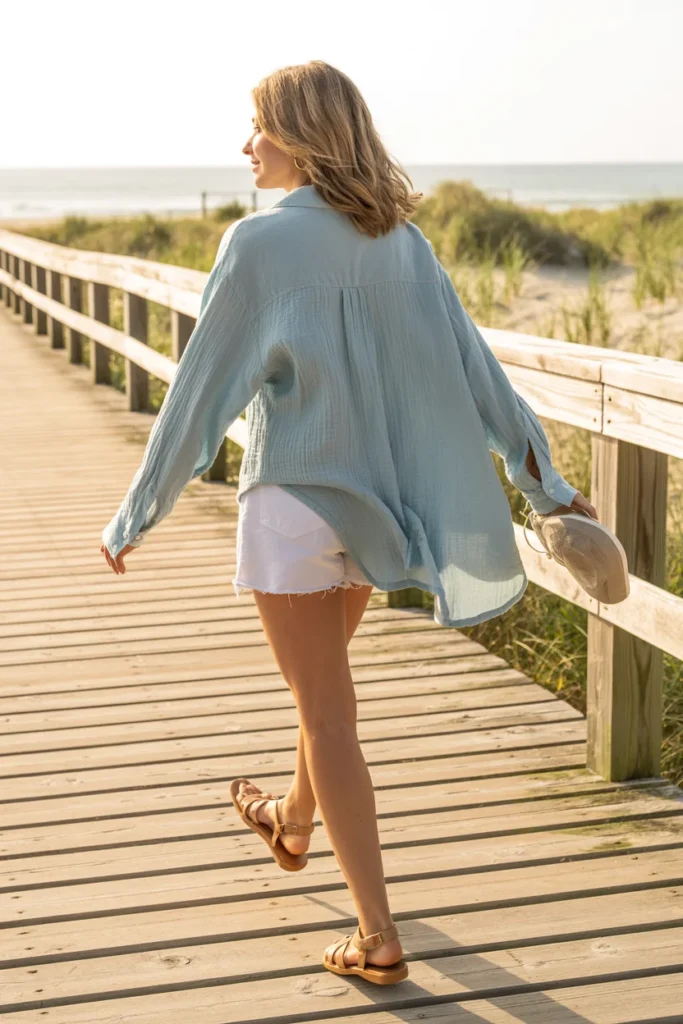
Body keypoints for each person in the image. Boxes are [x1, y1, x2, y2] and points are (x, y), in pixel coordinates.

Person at [101, 60, 597, 985]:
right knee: (318, 703)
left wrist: (137, 511)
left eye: (255, 126)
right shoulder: (401, 240)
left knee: (327, 715)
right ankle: (290, 826)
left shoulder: (254, 245)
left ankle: (376, 937)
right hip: (378, 510)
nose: (244, 145)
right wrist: (548, 485)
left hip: (293, 502)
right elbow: (476, 371)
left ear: (297, 134)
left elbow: (200, 394)